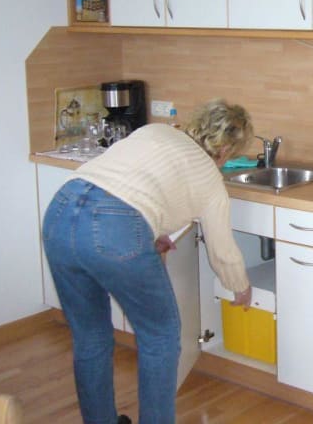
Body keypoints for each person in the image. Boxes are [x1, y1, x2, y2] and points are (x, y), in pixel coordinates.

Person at [43, 98, 254, 424]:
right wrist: (239, 285)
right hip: (116, 229)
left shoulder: (155, 131)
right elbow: (222, 250)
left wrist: (149, 232)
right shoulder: (211, 179)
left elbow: (132, 185)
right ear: (226, 149)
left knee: (90, 336)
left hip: (61, 211)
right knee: (161, 337)